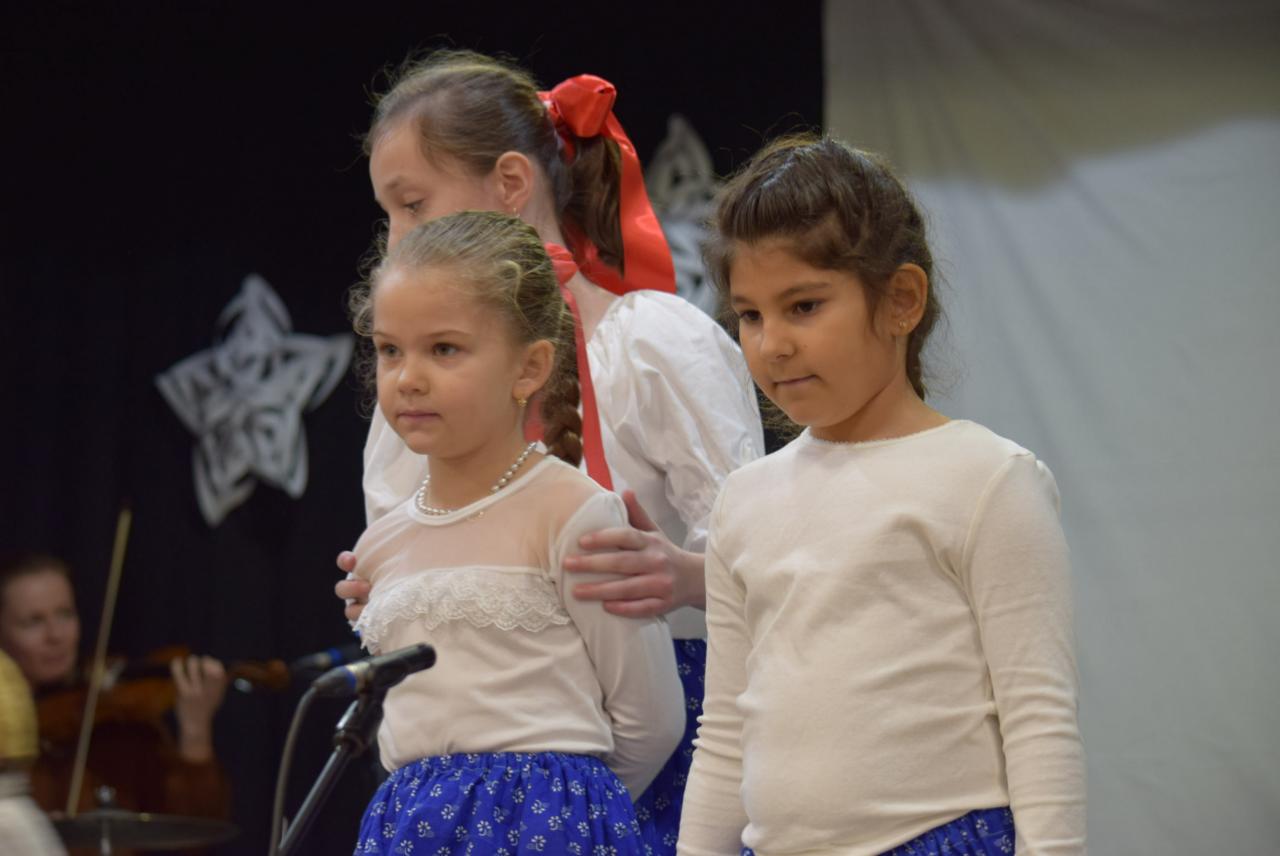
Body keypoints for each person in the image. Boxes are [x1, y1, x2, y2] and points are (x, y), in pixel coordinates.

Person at [335, 49, 764, 847]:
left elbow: (768, 561)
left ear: (510, 182)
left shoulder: (653, 343)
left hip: (682, 728)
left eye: (412, 205)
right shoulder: (408, 407)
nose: (395, 240)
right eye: (386, 215)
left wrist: (687, 576)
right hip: (472, 778)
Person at [677, 136, 1086, 855]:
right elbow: (726, 730)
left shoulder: (987, 479)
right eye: (750, 315)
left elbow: (1039, 718)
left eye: (804, 306)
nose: (772, 344)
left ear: (901, 300)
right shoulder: (745, 500)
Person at [346, 209, 685, 854]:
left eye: (444, 349)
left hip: (549, 826)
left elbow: (652, 719)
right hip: (412, 829)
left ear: (529, 368)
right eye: (390, 350)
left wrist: (572, 810)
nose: (408, 377)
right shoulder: (379, 545)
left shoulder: (572, 512)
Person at [0, 553, 231, 821]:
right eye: (33, 621)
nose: (56, 635)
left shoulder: (120, 724)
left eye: (65, 614)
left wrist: (195, 731)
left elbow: (197, 826)